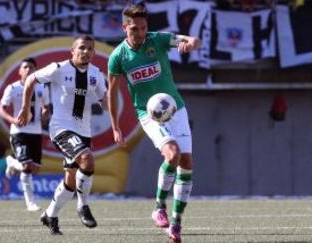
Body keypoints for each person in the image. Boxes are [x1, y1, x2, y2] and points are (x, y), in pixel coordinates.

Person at [107, 4, 200, 243]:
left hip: (175, 108)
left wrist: (189, 43)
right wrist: (115, 126)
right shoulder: (118, 56)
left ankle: (176, 223)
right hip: (148, 114)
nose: (140, 33)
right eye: (135, 28)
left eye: (143, 27)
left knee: (187, 162)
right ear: (124, 27)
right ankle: (159, 207)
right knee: (172, 155)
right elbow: (111, 93)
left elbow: (194, 39)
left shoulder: (157, 40)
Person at [17, 35, 107, 235]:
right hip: (61, 128)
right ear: (73, 51)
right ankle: (83, 206)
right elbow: (31, 79)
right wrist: (25, 108)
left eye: (90, 49)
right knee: (87, 160)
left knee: (71, 179)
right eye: (82, 48)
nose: (86, 52)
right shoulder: (58, 68)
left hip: (84, 130)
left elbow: (104, 100)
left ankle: (50, 215)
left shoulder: (96, 74)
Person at [0, 57, 50, 212]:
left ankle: (12, 162)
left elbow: (46, 107)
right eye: (25, 67)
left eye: (32, 67)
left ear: (36, 70)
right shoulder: (12, 88)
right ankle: (30, 203)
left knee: (35, 169)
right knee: (27, 167)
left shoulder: (42, 88)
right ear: (20, 71)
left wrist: (45, 114)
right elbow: (1, 109)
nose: (28, 70)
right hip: (19, 132)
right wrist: (13, 119)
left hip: (36, 132)